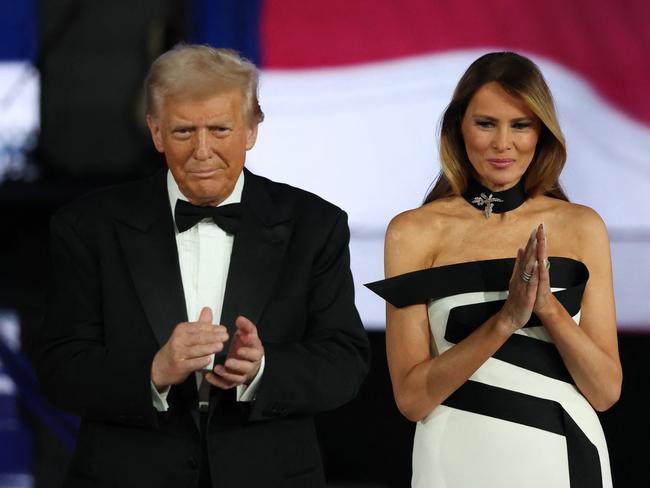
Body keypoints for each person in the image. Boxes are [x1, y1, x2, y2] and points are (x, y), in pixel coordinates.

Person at [37, 45, 370, 488]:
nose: (202, 150)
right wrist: (153, 370)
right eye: (182, 131)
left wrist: (264, 368)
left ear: (251, 130)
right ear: (156, 132)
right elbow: (61, 367)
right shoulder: (87, 226)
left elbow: (344, 362)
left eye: (219, 129)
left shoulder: (315, 225)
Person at [367, 52, 621, 487]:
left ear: (541, 133)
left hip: (564, 455)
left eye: (520, 125)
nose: (503, 143)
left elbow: (605, 392)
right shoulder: (413, 232)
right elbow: (411, 400)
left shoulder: (581, 226)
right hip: (454, 457)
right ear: (458, 128)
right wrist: (505, 320)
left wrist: (548, 309)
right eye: (486, 124)